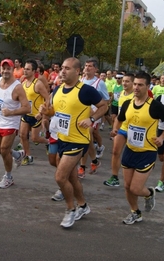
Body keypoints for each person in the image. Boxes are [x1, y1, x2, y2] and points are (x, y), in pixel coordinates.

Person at [40, 57, 107, 228]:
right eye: (62, 68)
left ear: (77, 71)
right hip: (63, 138)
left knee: (60, 177)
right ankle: (83, 206)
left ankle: (70, 210)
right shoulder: (58, 89)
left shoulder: (85, 90)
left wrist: (91, 119)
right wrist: (46, 111)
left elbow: (104, 106)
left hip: (78, 140)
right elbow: (56, 111)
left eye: (67, 68)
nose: (63, 71)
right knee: (72, 177)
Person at [115, 72, 164, 225]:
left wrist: (161, 138)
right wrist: (115, 130)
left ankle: (149, 193)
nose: (136, 87)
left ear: (148, 87)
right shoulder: (128, 103)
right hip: (130, 150)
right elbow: (120, 118)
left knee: (135, 188)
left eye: (140, 85)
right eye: (135, 84)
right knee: (127, 187)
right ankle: (135, 212)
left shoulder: (154, 105)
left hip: (147, 152)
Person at [0, 59, 30, 188]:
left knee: (4, 150)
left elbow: (27, 108)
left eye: (8, 68)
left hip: (11, 123)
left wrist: (11, 112)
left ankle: (8, 177)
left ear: (12, 70)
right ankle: (17, 154)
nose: (5, 71)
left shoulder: (17, 87)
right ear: (0, 69)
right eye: (3, 68)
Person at [104, 73, 135, 187]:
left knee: (132, 155)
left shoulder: (135, 96)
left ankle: (133, 178)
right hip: (122, 127)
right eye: (123, 81)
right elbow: (119, 113)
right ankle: (114, 177)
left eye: (127, 81)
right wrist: (115, 128)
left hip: (133, 129)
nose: (124, 83)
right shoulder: (121, 93)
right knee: (116, 152)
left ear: (133, 83)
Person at [19, 59, 50, 165]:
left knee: (35, 138)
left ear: (33, 71)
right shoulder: (23, 83)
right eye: (24, 69)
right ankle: (28, 156)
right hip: (26, 114)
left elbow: (47, 98)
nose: (25, 71)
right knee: (23, 135)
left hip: (36, 116)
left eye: (28, 69)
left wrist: (41, 113)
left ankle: (48, 142)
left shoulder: (38, 84)